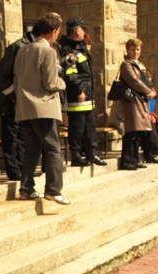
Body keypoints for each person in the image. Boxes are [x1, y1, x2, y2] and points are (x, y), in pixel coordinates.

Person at [14, 13, 68, 205]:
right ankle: (53, 190)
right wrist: (63, 83)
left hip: (25, 108)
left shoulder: (22, 50)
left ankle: (26, 188)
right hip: (44, 107)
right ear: (53, 32)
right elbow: (51, 82)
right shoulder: (48, 52)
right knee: (53, 149)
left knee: (31, 150)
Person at [59, 17, 106, 167]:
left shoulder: (80, 48)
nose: (84, 32)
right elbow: (70, 73)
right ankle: (76, 156)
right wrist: (80, 90)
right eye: (82, 29)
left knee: (90, 127)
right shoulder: (68, 50)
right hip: (78, 97)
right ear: (77, 31)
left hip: (87, 96)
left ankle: (91, 154)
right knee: (77, 128)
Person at [0, 29, 33, 181]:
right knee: (11, 137)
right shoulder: (18, 47)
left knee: (21, 135)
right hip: (8, 101)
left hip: (21, 100)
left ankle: (21, 168)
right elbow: (3, 74)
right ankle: (13, 172)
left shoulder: (32, 46)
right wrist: (13, 96)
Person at [117, 39, 158, 171]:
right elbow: (134, 81)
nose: (136, 52)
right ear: (127, 50)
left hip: (142, 101)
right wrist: (148, 91)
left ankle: (135, 159)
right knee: (132, 131)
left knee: (139, 132)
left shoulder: (139, 64)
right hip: (132, 102)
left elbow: (146, 80)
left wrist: (153, 91)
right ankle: (127, 161)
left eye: (138, 49)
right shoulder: (126, 65)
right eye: (133, 49)